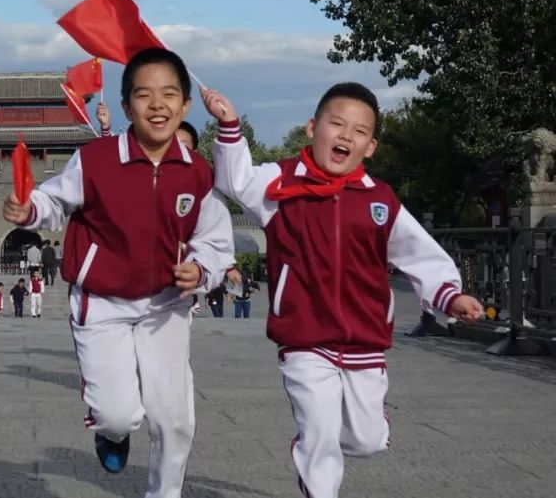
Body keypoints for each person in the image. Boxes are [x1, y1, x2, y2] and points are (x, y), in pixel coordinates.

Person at [200, 81, 484, 498]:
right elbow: (235, 180)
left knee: (366, 440)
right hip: (304, 337)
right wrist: (228, 126)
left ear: (370, 147)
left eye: (359, 131)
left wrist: (450, 295)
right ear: (312, 128)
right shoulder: (279, 184)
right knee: (319, 432)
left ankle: (335, 440)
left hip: (364, 339)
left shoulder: (380, 199)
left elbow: (418, 252)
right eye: (336, 124)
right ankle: (317, 473)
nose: (346, 136)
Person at [3, 47, 236, 498]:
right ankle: (110, 433)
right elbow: (54, 201)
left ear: (185, 105)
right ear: (128, 107)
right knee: (118, 415)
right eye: (144, 95)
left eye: (169, 94)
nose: (157, 105)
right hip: (102, 303)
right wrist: (29, 210)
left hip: (165, 305)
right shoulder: (96, 159)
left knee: (175, 418)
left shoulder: (196, 172)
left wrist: (201, 269)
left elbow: (214, 238)